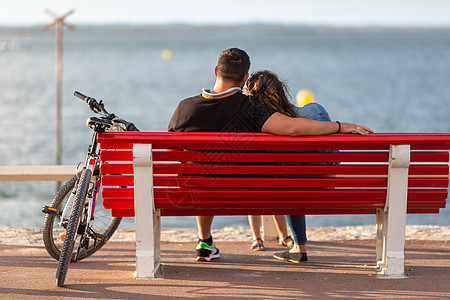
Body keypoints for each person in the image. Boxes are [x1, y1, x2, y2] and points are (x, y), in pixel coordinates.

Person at [168, 48, 372, 262]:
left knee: (203, 173)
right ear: (245, 77)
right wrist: (339, 126)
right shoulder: (252, 107)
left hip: (200, 191)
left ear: (216, 70)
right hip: (247, 195)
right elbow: (292, 127)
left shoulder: (185, 108)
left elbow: (173, 154)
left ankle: (205, 242)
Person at [244, 70, 335, 262]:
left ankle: (300, 247)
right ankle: (298, 247)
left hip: (280, 195)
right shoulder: (316, 111)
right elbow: (334, 158)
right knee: (296, 180)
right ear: (283, 89)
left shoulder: (257, 126)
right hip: (325, 190)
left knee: (290, 184)